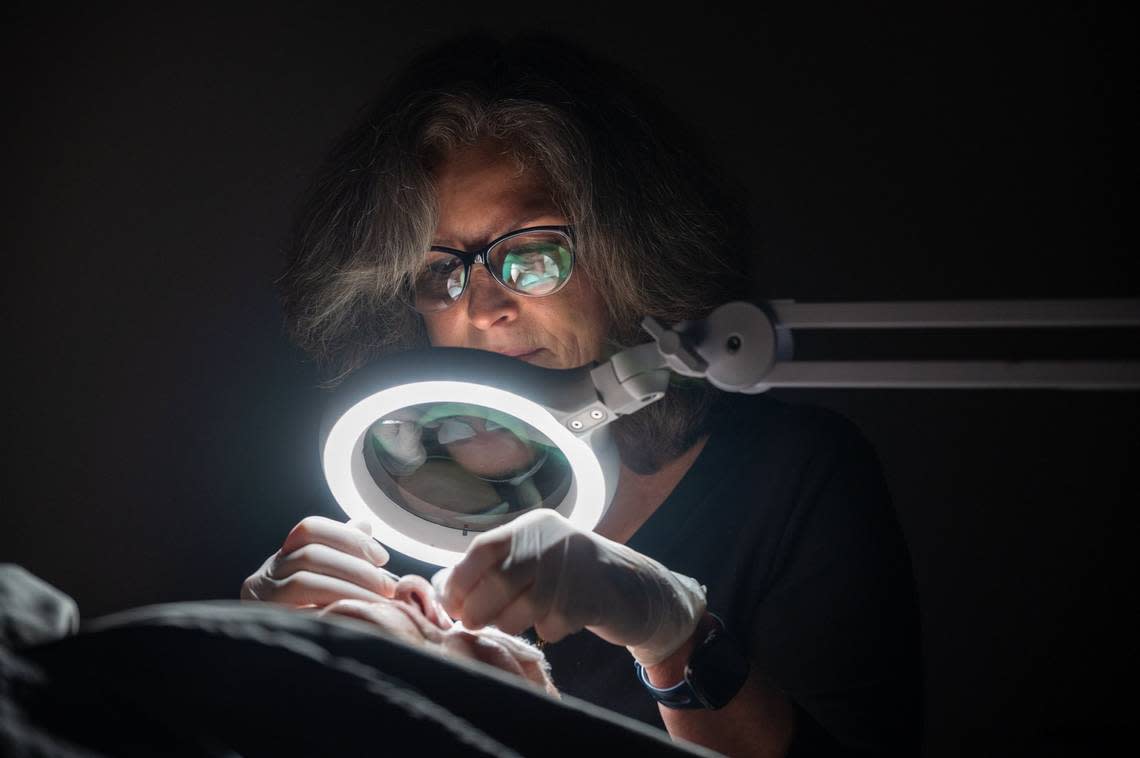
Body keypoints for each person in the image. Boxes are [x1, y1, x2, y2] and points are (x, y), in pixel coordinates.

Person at [243, 34, 922, 756]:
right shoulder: (385, 496)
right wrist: (264, 679)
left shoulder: (792, 477)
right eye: (440, 271)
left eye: (532, 255)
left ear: (628, 252)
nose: (484, 306)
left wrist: (672, 635)